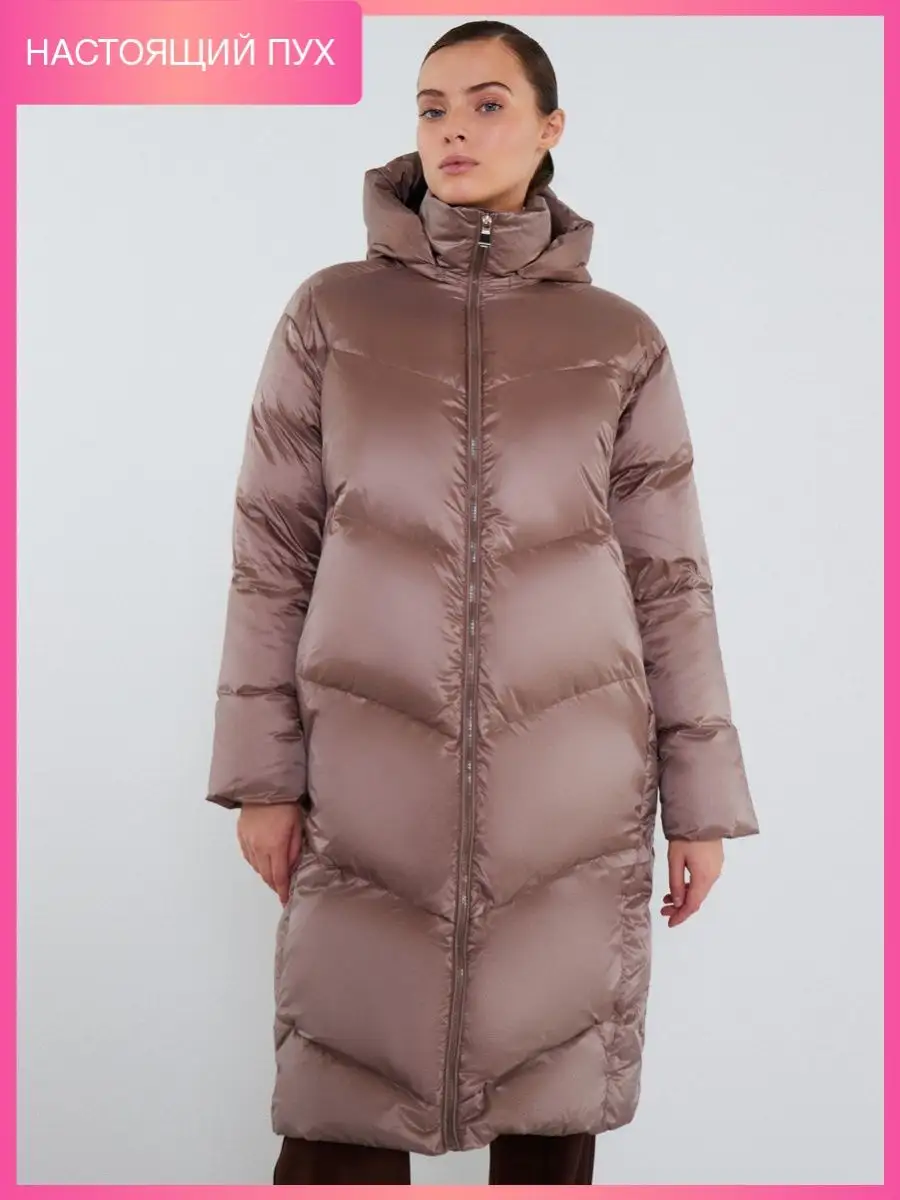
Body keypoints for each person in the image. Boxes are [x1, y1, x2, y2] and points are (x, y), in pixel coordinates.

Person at [205, 19, 760, 1186]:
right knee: (339, 1116)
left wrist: (700, 805)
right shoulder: (331, 316)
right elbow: (272, 553)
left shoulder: (620, 341)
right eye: (432, 106)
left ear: (551, 128)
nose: (453, 129)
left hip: (572, 788)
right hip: (369, 778)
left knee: (551, 1115)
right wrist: (263, 778)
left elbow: (670, 581)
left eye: (488, 103)